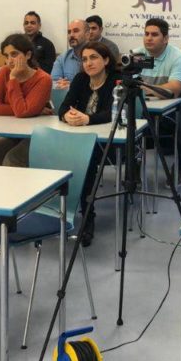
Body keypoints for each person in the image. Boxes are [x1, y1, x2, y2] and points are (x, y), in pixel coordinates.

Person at [58, 42, 121, 246]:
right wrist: (68, 116)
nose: (88, 63)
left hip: (108, 143)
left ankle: (87, 217)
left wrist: (87, 119)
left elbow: (112, 113)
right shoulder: (80, 79)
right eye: (84, 59)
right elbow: (63, 108)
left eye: (93, 58)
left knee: (87, 158)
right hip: (78, 138)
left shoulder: (116, 81)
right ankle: (56, 211)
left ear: (106, 60)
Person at [136, 17, 181, 175]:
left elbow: (173, 90)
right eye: (146, 34)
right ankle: (133, 173)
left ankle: (179, 168)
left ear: (165, 38)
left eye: (154, 34)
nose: (149, 38)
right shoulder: (137, 55)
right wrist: (152, 89)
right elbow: (131, 86)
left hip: (175, 108)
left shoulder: (178, 56)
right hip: (142, 107)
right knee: (127, 134)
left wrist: (145, 88)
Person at [0, 33, 52, 168]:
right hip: (12, 132)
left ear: (28, 55)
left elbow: (22, 112)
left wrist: (13, 79)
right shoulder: (4, 71)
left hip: (36, 135)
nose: (9, 61)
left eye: (14, 54)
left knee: (12, 159)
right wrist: (32, 110)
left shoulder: (43, 79)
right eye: (6, 56)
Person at [51, 19, 89, 88]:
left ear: (87, 35)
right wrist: (60, 85)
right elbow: (53, 82)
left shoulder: (98, 56)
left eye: (76, 31)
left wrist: (71, 87)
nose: (71, 35)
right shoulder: (62, 58)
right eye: (69, 32)